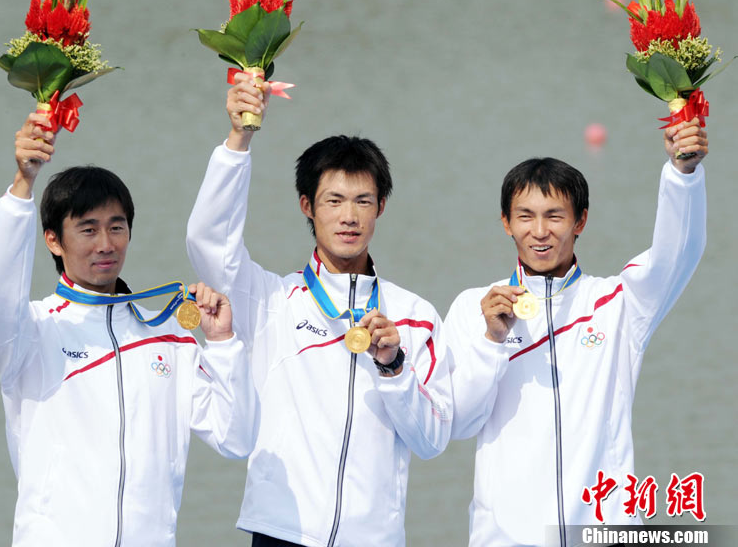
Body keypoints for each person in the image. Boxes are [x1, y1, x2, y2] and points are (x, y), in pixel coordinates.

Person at [186, 73, 452, 547]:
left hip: (373, 540)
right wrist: (239, 139)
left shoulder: (415, 315)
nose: (349, 216)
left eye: (362, 201)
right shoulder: (268, 300)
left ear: (381, 207)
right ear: (307, 206)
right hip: (282, 532)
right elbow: (209, 240)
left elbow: (431, 441)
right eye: (334, 201)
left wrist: (394, 368)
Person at [0, 111, 255, 546]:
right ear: (53, 240)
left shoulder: (169, 336)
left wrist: (222, 342)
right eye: (87, 229)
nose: (105, 244)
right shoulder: (29, 331)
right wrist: (22, 185)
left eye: (116, 228)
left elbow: (235, 438)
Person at [443, 119, 708, 546]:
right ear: (506, 223)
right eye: (525, 216)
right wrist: (492, 341)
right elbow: (457, 423)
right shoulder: (474, 308)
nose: (540, 231)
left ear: (580, 220)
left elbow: (676, 254)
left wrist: (683, 174)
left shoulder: (618, 303)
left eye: (555, 216)